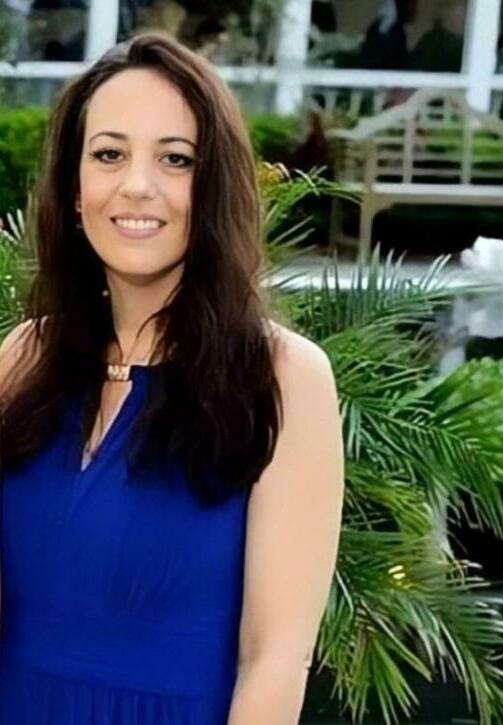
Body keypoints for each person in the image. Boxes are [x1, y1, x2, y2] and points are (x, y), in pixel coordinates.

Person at [0, 31, 345, 724]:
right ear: (74, 189)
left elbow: (274, 658)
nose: (137, 185)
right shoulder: (20, 358)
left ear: (213, 186)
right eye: (109, 154)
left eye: (176, 159)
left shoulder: (283, 378)